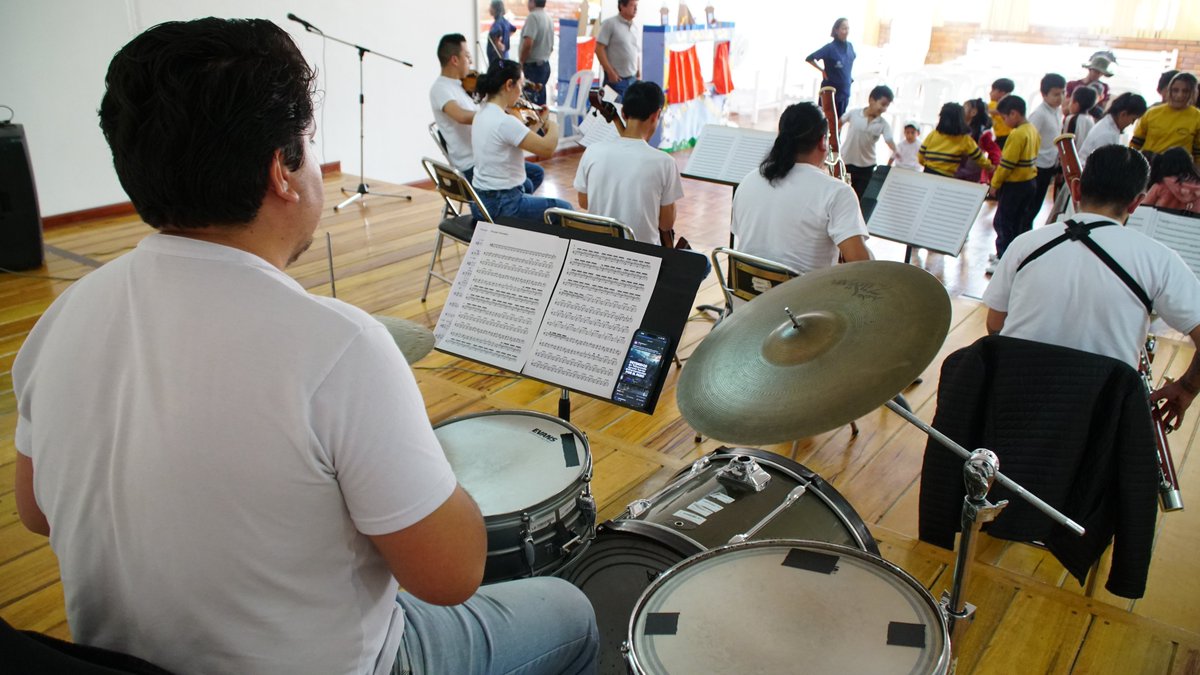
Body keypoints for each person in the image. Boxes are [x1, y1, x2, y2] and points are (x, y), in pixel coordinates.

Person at [13, 18, 598, 675]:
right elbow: (452, 574)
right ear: (282, 172)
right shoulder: (340, 349)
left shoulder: (56, 323)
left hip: (125, 659)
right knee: (569, 612)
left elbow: (36, 511)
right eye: (310, 142)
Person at [983, 144, 1200, 429]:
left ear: (1076, 190)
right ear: (1136, 203)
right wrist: (1186, 388)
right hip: (1100, 415)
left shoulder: (1024, 244)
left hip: (1013, 401)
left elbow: (995, 324)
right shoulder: (1161, 260)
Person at [731, 101, 872, 273]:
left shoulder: (750, 180)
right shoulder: (837, 192)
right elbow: (860, 264)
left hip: (746, 297)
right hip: (804, 299)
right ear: (822, 141)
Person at [429, 33, 544, 194]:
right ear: (454, 60)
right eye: (467, 56)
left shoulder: (462, 85)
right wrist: (494, 114)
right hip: (471, 164)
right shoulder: (441, 88)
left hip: (486, 156)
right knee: (526, 184)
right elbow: (461, 116)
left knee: (536, 173)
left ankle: (508, 209)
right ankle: (505, 211)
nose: (471, 61)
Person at [573, 81, 683, 245]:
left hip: (599, 252)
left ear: (623, 113)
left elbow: (584, 202)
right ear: (656, 115)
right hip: (643, 259)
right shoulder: (665, 163)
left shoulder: (592, 152)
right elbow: (666, 224)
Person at [470, 59, 571, 221]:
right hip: (503, 206)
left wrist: (539, 122)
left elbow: (520, 138)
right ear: (509, 85)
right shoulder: (504, 121)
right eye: (521, 86)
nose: (521, 92)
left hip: (480, 203)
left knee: (529, 183)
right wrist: (554, 124)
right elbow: (547, 149)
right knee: (566, 210)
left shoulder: (482, 112)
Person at [988, 95, 1040, 271]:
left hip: (1015, 184)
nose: (1004, 121)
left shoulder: (1017, 134)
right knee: (1018, 222)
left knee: (1003, 222)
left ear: (1014, 114)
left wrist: (995, 183)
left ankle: (1003, 259)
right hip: (1030, 182)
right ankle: (1012, 257)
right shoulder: (1032, 129)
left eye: (1004, 118)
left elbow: (1006, 164)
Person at [839, 84, 897, 198]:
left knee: (860, 199)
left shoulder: (883, 124)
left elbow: (893, 147)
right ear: (871, 100)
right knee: (843, 196)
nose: (884, 109)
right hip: (847, 163)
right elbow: (836, 125)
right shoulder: (854, 114)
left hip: (867, 168)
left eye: (887, 106)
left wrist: (888, 166)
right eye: (883, 104)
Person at [1131, 72, 1200, 162]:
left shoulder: (1197, 117)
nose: (1179, 95)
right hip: (1149, 165)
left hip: (1178, 169)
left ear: (1193, 93)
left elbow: (1198, 152)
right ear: (1169, 90)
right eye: (1175, 90)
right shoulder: (1152, 113)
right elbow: (1136, 142)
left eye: (1185, 91)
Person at [918, 102, 993, 179]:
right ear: (961, 119)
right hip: (947, 176)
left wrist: (926, 164)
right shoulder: (964, 139)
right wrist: (990, 167)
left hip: (928, 172)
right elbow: (979, 157)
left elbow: (921, 154)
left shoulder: (933, 134)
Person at [1029, 73, 1067, 217]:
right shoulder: (1039, 114)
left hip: (1048, 164)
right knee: (1030, 206)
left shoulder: (1058, 112)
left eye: (1063, 93)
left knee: (1037, 204)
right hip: (1037, 166)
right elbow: (1029, 139)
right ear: (1044, 95)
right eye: (1056, 94)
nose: (1061, 98)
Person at [1078, 92, 1147, 166]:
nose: (1132, 124)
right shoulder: (1106, 134)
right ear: (1123, 114)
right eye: (1133, 119)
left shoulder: (1109, 126)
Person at [805, 18, 855, 117]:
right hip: (830, 92)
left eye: (848, 28)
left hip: (845, 90)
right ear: (836, 30)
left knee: (839, 122)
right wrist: (822, 70)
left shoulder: (850, 46)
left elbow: (849, 62)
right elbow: (810, 58)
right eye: (843, 29)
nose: (846, 31)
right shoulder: (830, 48)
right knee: (826, 121)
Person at [596, 0, 641, 101]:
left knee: (629, 113)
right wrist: (610, 72)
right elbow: (599, 49)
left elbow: (636, 52)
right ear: (622, 6)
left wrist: (638, 73)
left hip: (632, 80)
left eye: (636, 6)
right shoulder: (610, 24)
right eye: (632, 5)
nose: (636, 9)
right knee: (612, 113)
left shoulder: (635, 27)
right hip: (616, 80)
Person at [956, 98, 1001, 184]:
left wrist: (993, 168)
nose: (961, 109)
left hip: (972, 174)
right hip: (956, 171)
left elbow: (995, 152)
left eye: (964, 107)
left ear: (973, 112)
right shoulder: (958, 128)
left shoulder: (983, 133)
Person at [1142, 147, 1200, 212]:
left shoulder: (1160, 185)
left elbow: (1143, 208)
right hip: (1190, 221)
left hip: (1160, 220)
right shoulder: (1198, 188)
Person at [519, 0, 554, 106]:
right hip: (544, 65)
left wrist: (521, 61)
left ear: (533, 2)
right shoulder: (548, 18)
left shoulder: (533, 17)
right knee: (540, 101)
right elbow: (551, 46)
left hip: (533, 67)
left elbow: (528, 43)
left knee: (530, 103)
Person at [1062, 85, 1098, 151]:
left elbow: (1066, 143)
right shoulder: (1091, 119)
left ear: (1076, 104)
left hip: (1072, 158)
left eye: (1071, 101)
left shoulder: (1071, 119)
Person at [486, 0, 517, 68]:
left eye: (491, 7)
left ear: (495, 9)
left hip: (497, 60)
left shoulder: (497, 24)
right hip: (505, 56)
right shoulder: (505, 21)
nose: (489, 9)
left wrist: (499, 44)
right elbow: (513, 29)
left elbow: (496, 36)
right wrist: (506, 37)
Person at [988, 77, 1016, 149]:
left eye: (993, 90)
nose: (990, 93)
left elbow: (1000, 111)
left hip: (1009, 136)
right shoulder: (992, 104)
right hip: (999, 137)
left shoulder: (1010, 103)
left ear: (1002, 93)